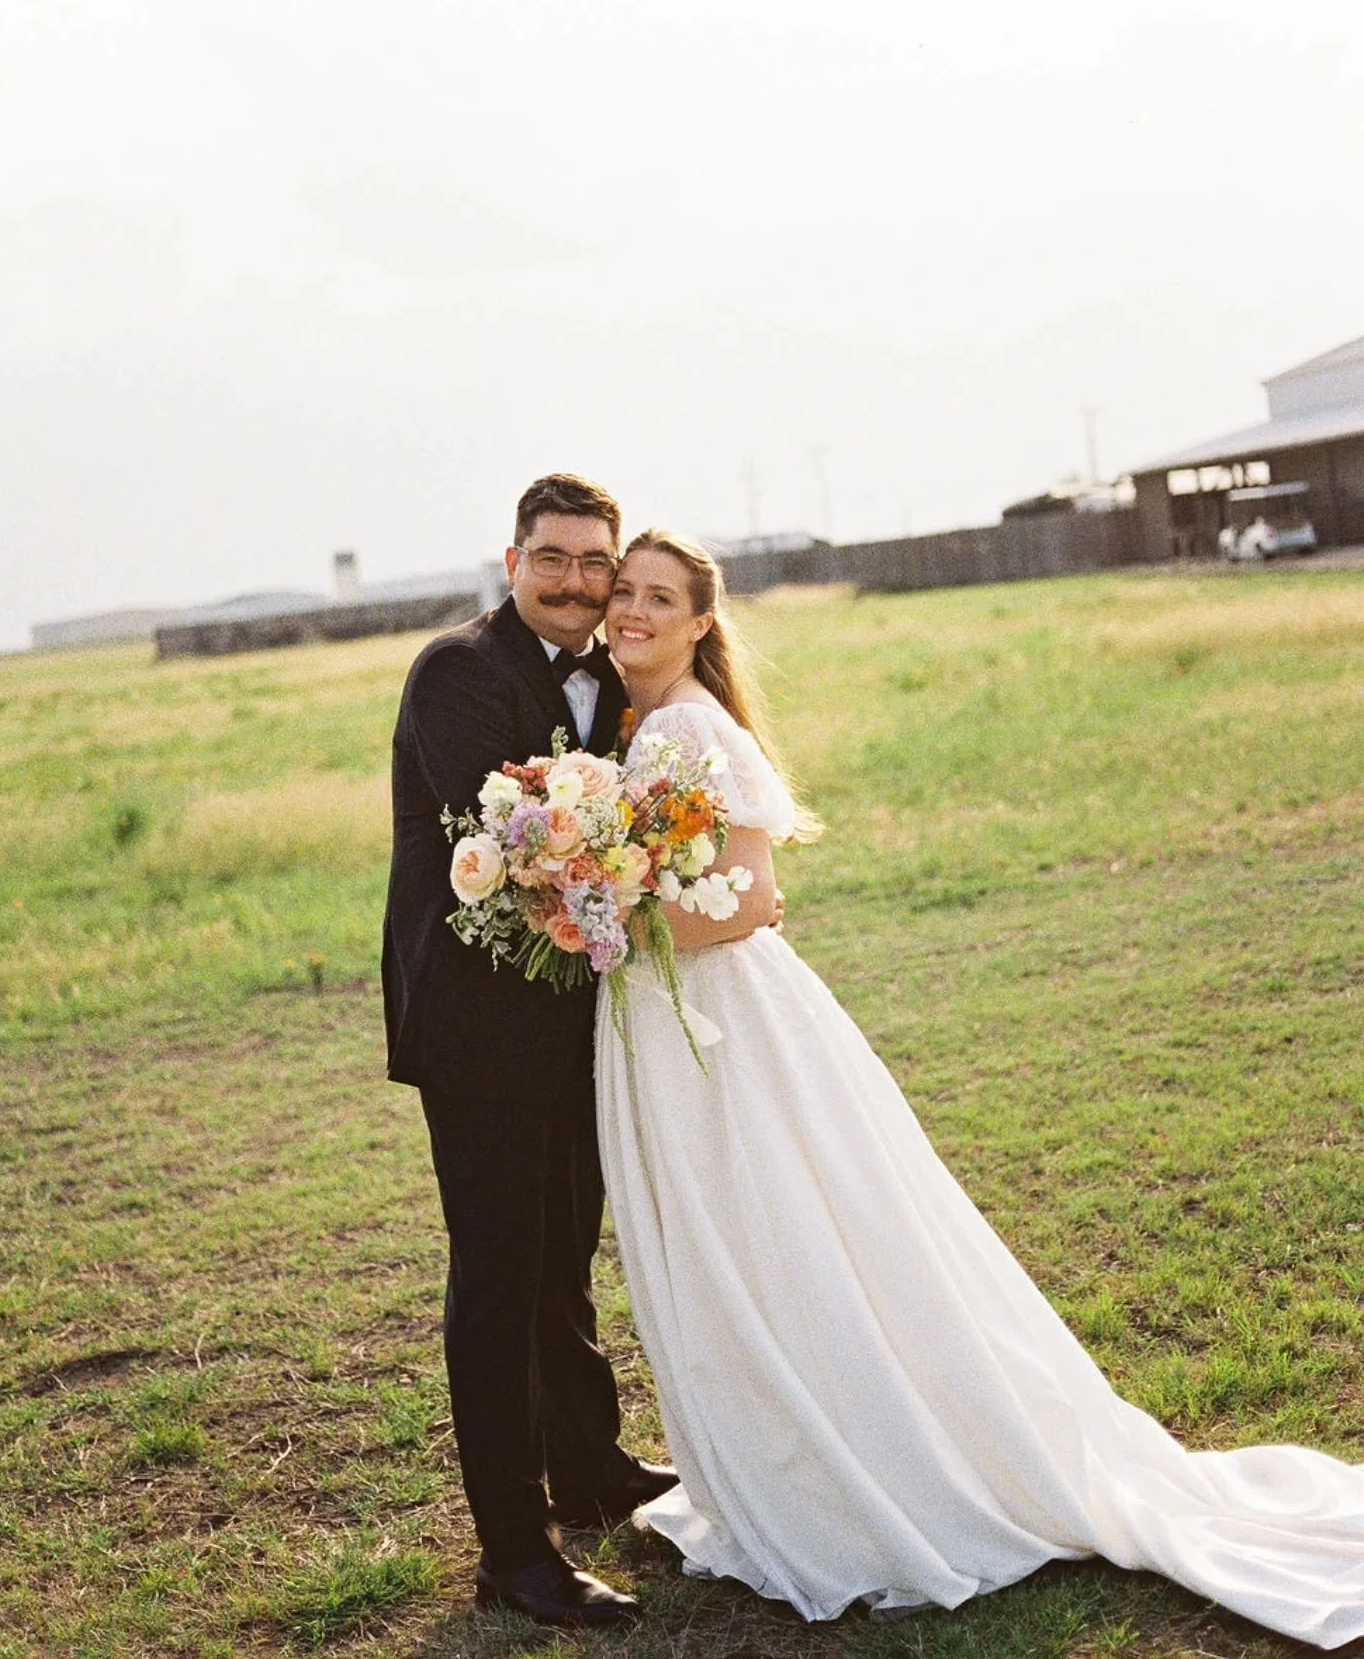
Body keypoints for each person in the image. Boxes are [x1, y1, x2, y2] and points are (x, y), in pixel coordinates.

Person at [595, 528, 1364, 1650]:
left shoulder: (686, 727)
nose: (633, 610)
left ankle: (851, 1475)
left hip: (722, 1025)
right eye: (624, 591)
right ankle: (780, 1454)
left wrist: (598, 920)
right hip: (676, 1018)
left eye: (660, 597)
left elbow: (750, 900)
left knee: (772, 1232)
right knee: (741, 1237)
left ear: (702, 622)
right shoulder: (637, 725)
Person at [381, 475, 677, 1630]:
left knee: (565, 1255)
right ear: (512, 563)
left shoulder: (616, 679)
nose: (573, 581)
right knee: (501, 1277)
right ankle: (514, 1551)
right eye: (550, 558)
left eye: (594, 561)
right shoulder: (457, 671)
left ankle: (590, 1467)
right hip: (477, 1031)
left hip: (574, 1024)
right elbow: (508, 840)